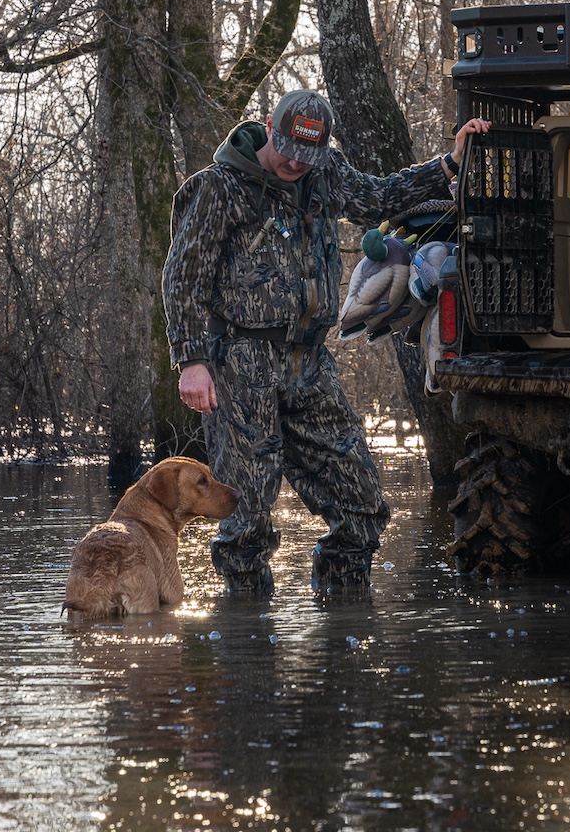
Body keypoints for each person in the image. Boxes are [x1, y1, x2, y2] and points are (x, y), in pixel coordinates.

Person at [162, 89, 491, 599]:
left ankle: (344, 622)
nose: (296, 164)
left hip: (309, 363)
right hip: (240, 364)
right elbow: (183, 278)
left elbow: (381, 198)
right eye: (289, 150)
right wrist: (191, 360)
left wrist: (449, 163)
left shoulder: (325, 174)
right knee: (247, 522)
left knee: (362, 504)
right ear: (269, 127)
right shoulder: (216, 188)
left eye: (308, 155)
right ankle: (247, 631)